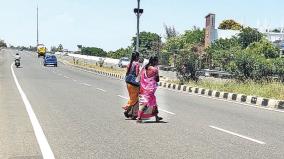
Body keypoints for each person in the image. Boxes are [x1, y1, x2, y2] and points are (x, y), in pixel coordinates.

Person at [137, 56, 163, 123]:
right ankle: (139, 117)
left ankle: (157, 117)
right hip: (150, 89)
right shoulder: (155, 69)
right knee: (146, 103)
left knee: (154, 103)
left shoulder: (145, 68)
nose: (158, 62)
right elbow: (157, 80)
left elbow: (141, 77)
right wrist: (157, 73)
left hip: (144, 88)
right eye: (157, 61)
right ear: (154, 61)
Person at [122, 52, 140, 119]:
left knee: (132, 97)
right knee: (135, 99)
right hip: (134, 83)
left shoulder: (129, 64)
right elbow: (137, 74)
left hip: (128, 83)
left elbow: (127, 73)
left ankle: (130, 113)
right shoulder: (137, 64)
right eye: (138, 56)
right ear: (137, 57)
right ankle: (130, 111)